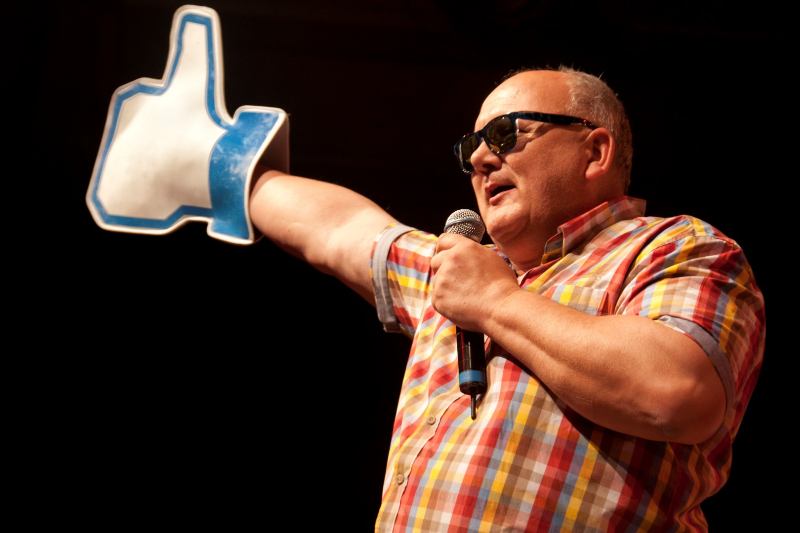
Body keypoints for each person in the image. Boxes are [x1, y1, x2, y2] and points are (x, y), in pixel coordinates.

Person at [248, 65, 765, 532]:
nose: (478, 159)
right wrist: (233, 168)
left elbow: (677, 391)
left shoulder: (674, 246)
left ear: (594, 152)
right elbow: (340, 230)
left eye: (504, 134)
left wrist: (495, 301)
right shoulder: (458, 273)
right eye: (469, 147)